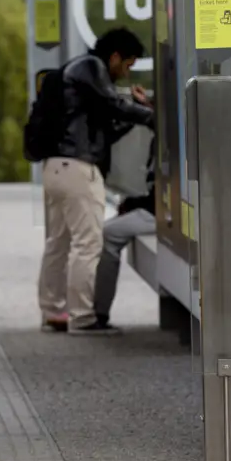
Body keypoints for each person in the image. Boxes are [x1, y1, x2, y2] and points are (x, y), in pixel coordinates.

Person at [37, 27, 154, 334]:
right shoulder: (91, 68)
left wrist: (138, 113)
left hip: (55, 167)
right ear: (114, 56)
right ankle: (82, 317)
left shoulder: (76, 75)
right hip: (78, 169)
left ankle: (52, 311)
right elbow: (115, 107)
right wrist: (150, 117)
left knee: (58, 243)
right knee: (89, 243)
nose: (125, 74)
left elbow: (109, 126)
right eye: (127, 65)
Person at [91, 132, 157, 333]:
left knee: (107, 234)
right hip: (159, 208)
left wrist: (136, 203)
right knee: (103, 230)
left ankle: (99, 313)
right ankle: (95, 309)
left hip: (165, 213)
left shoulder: (169, 135)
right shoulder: (163, 135)